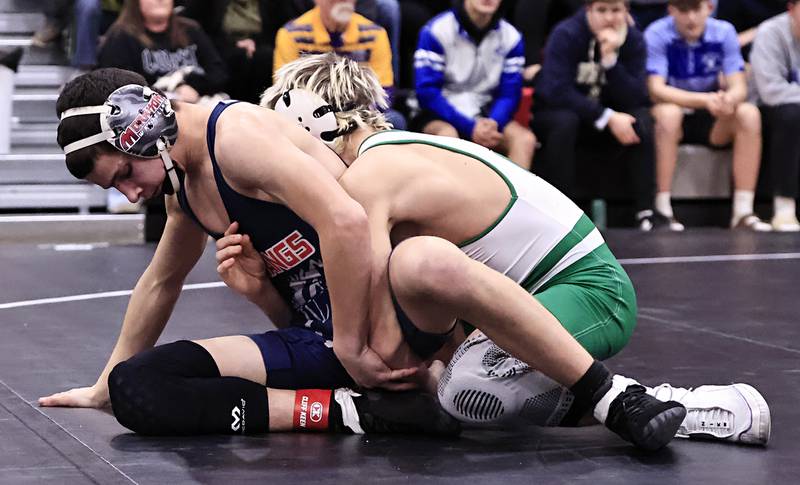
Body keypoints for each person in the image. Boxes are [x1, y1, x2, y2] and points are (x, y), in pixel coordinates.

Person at [45, 65, 688, 451]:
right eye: (116, 187)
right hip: (325, 334)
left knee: (443, 323)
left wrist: (353, 344)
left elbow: (348, 223)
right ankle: (361, 412)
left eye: (123, 173)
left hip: (380, 325)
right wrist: (104, 385)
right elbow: (159, 284)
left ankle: (615, 399)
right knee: (139, 389)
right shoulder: (186, 185)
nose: (131, 193)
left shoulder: (234, 136)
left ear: (139, 124)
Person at [266, 54, 769, 446]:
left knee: (458, 382)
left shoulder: (372, 177)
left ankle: (666, 403)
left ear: (316, 123)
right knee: (427, 325)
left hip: (590, 292)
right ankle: (614, 400)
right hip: (544, 295)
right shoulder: (393, 157)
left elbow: (384, 340)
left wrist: (359, 363)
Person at [531, 0, 661, 231]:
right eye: (602, 10)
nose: (609, 17)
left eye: (616, 10)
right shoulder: (566, 34)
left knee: (640, 119)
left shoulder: (633, 39)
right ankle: (561, 212)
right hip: (561, 113)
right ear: (588, 10)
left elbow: (636, 96)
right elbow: (556, 91)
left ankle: (645, 211)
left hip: (604, 115)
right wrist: (606, 116)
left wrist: (611, 62)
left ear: (626, 12)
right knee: (564, 122)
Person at [645, 0, 770, 231]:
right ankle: (662, 210)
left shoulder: (724, 32)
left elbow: (738, 87)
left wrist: (728, 100)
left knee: (748, 113)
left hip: (713, 116)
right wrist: (704, 100)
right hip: (675, 111)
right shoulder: (657, 33)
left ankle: (743, 212)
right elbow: (656, 89)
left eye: (696, 10)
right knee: (669, 114)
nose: (690, 18)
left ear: (709, 9)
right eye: (683, 11)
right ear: (671, 10)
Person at [413, 0, 536, 170]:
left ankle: (514, 196)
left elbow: (509, 93)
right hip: (441, 113)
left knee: (524, 140)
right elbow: (427, 93)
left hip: (487, 113)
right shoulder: (436, 30)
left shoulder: (512, 37)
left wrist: (494, 122)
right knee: (448, 137)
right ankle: (450, 196)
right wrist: (470, 127)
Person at [273, 0, 406, 129]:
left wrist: (352, 117)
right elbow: (284, 89)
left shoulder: (375, 34)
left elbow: (384, 90)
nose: (343, 1)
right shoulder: (291, 34)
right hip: (309, 113)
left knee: (395, 120)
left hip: (361, 113)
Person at [748, 0, 800, 232]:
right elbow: (771, 92)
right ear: (791, 8)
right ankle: (784, 208)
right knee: (791, 115)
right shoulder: (770, 32)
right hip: (767, 112)